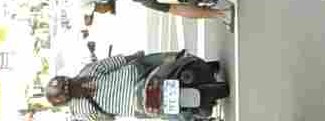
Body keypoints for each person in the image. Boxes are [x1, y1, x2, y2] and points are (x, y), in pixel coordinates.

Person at [37, 49, 208, 118]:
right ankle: (185, 59)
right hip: (139, 71)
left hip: (136, 106)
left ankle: (194, 116)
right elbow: (118, 62)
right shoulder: (87, 72)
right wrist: (136, 55)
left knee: (162, 114)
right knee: (167, 59)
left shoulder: (81, 113)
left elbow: (107, 119)